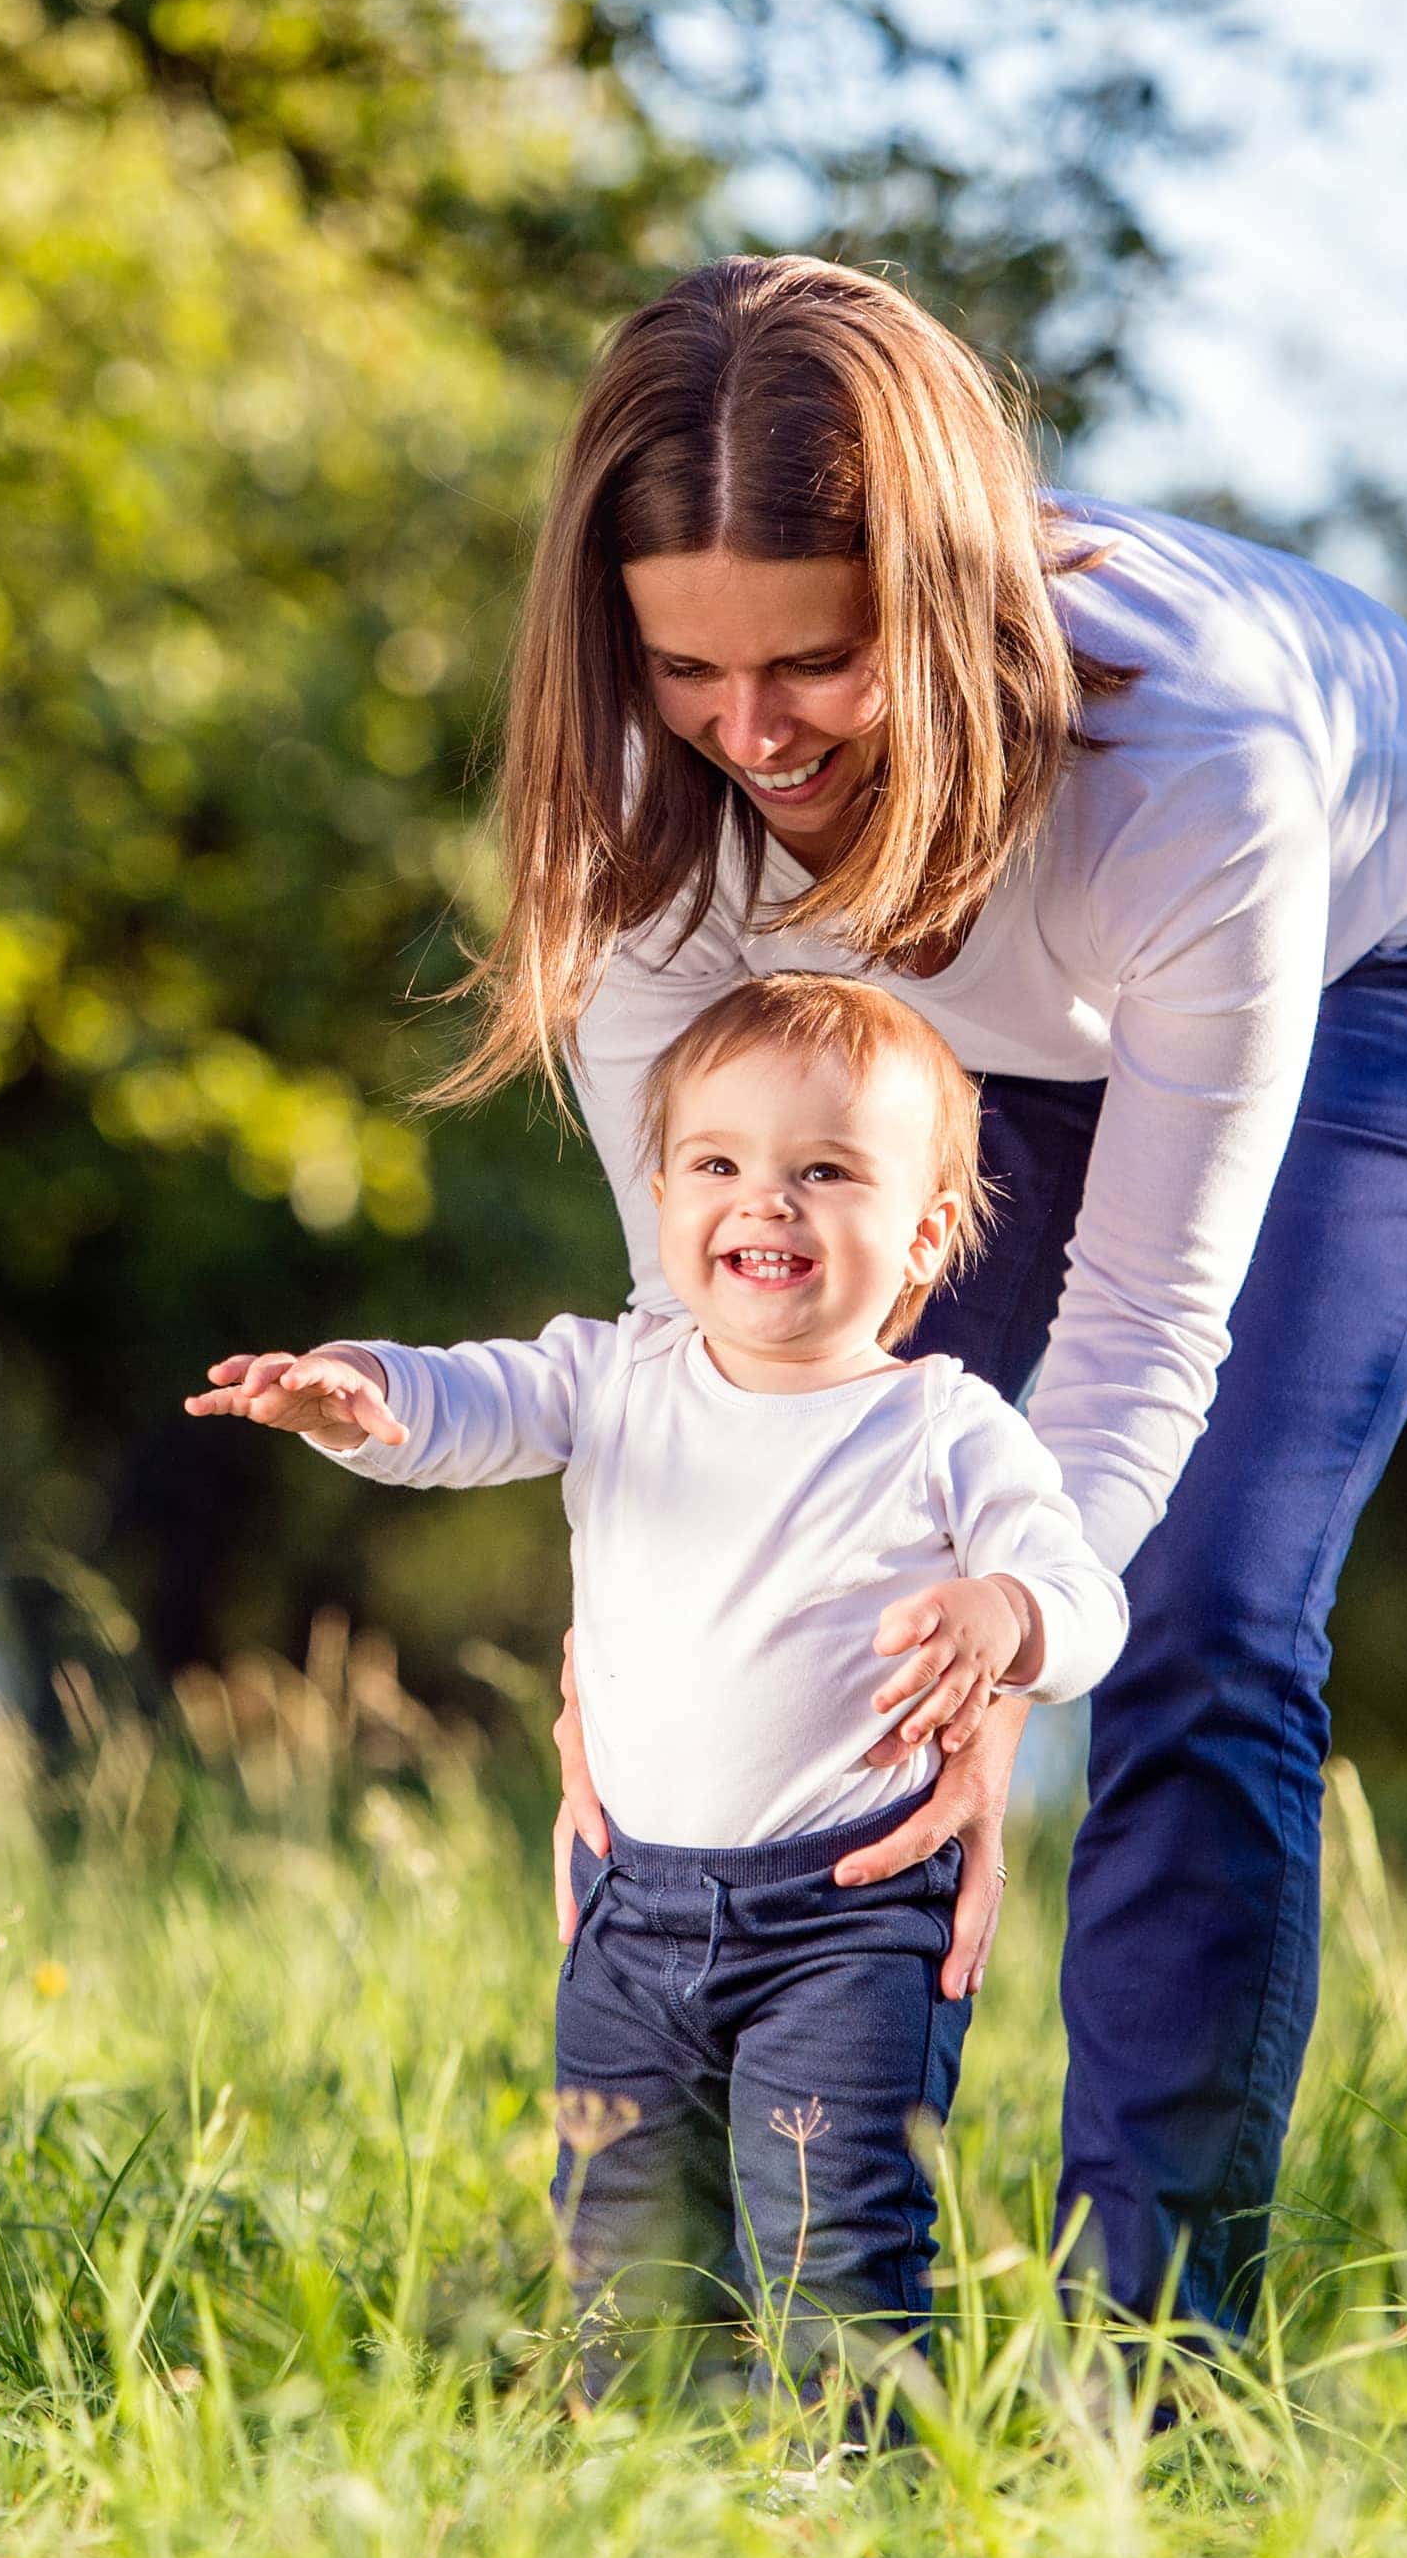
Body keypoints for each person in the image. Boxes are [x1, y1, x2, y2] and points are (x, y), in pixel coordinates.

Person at [448, 255, 1407, 2337]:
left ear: (933, 606)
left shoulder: (1196, 757)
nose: (748, 730)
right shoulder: (649, 790)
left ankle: (1155, 2347)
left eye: (817, 661)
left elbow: (1136, 1338)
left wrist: (1025, 1619)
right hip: (923, 1023)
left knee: (1199, 1617)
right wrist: (641, 1625)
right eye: (690, 667)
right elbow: (715, 1339)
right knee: (815, 1606)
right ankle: (781, 2317)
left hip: (1354, 978)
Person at [191, 975, 1126, 2397]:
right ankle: (654, 2501)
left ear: (927, 1230)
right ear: (664, 1192)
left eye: (824, 1171)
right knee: (623, 2252)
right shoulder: (616, 1374)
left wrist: (1007, 1609)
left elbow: (1088, 1603)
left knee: (833, 2241)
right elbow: (466, 1403)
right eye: (719, 1165)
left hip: (851, 1922)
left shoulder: (944, 1425)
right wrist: (357, 1393)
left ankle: (842, 2504)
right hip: (629, 1922)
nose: (766, 1202)